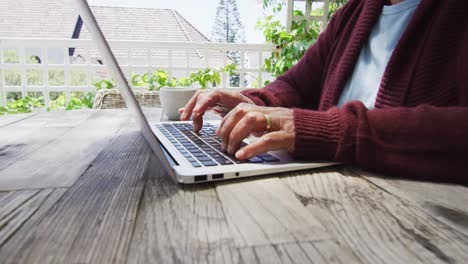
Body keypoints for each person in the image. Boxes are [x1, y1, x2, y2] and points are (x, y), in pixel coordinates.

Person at [180, 0, 468, 183]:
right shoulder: (353, 15)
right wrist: (254, 104)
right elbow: (296, 84)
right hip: (324, 191)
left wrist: (334, 131)